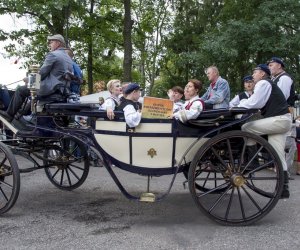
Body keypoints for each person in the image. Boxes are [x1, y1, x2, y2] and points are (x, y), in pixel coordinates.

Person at [237, 64, 292, 198]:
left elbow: (255, 103)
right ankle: (284, 189)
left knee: (246, 127)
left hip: (278, 120)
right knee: (279, 156)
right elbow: (256, 103)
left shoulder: (263, 83)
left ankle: (253, 160)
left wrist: (237, 107)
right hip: (282, 120)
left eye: (254, 72)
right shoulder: (267, 83)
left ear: (262, 74)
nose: (253, 75)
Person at [0, 34, 73, 122]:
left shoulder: (53, 55)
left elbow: (42, 74)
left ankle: (9, 114)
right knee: (29, 90)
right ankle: (21, 114)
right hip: (63, 91)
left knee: (21, 90)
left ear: (58, 43)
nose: (49, 44)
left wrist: (28, 80)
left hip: (51, 90)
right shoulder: (67, 58)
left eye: (51, 42)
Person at [268, 57, 296, 177]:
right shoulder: (275, 79)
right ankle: (282, 171)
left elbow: (282, 97)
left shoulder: (284, 78)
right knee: (283, 144)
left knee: (289, 145)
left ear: (279, 65)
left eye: (271, 65)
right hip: (279, 113)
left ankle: (284, 171)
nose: (269, 67)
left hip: (284, 113)